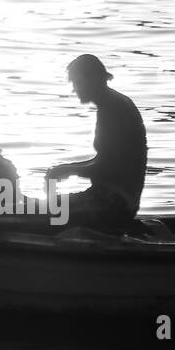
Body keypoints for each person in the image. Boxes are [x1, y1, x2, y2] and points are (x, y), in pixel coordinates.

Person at [46, 54, 148, 230]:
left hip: (114, 203)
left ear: (92, 78)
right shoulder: (112, 104)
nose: (74, 89)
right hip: (111, 197)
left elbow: (110, 167)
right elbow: (105, 159)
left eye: (76, 83)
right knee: (45, 208)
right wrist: (69, 167)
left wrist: (71, 169)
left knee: (45, 212)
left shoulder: (114, 108)